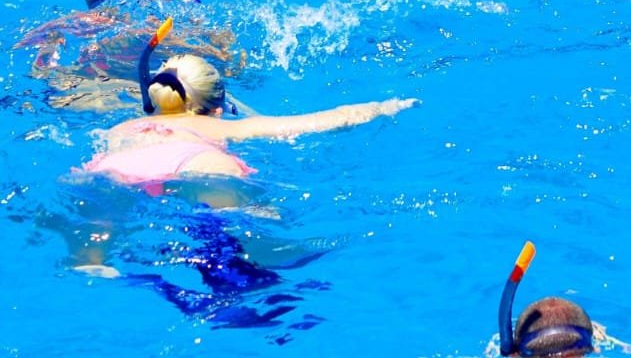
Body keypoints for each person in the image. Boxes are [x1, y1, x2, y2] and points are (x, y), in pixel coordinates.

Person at [70, 18, 417, 276]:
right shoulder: (219, 124)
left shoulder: (120, 129)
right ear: (217, 108)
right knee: (252, 219)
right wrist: (383, 107)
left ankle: (90, 261)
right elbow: (317, 122)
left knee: (104, 214)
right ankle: (252, 258)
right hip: (195, 163)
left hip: (115, 169)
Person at [14, 0, 243, 112]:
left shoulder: (70, 24)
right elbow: (228, 65)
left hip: (63, 95)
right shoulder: (143, 28)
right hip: (97, 96)